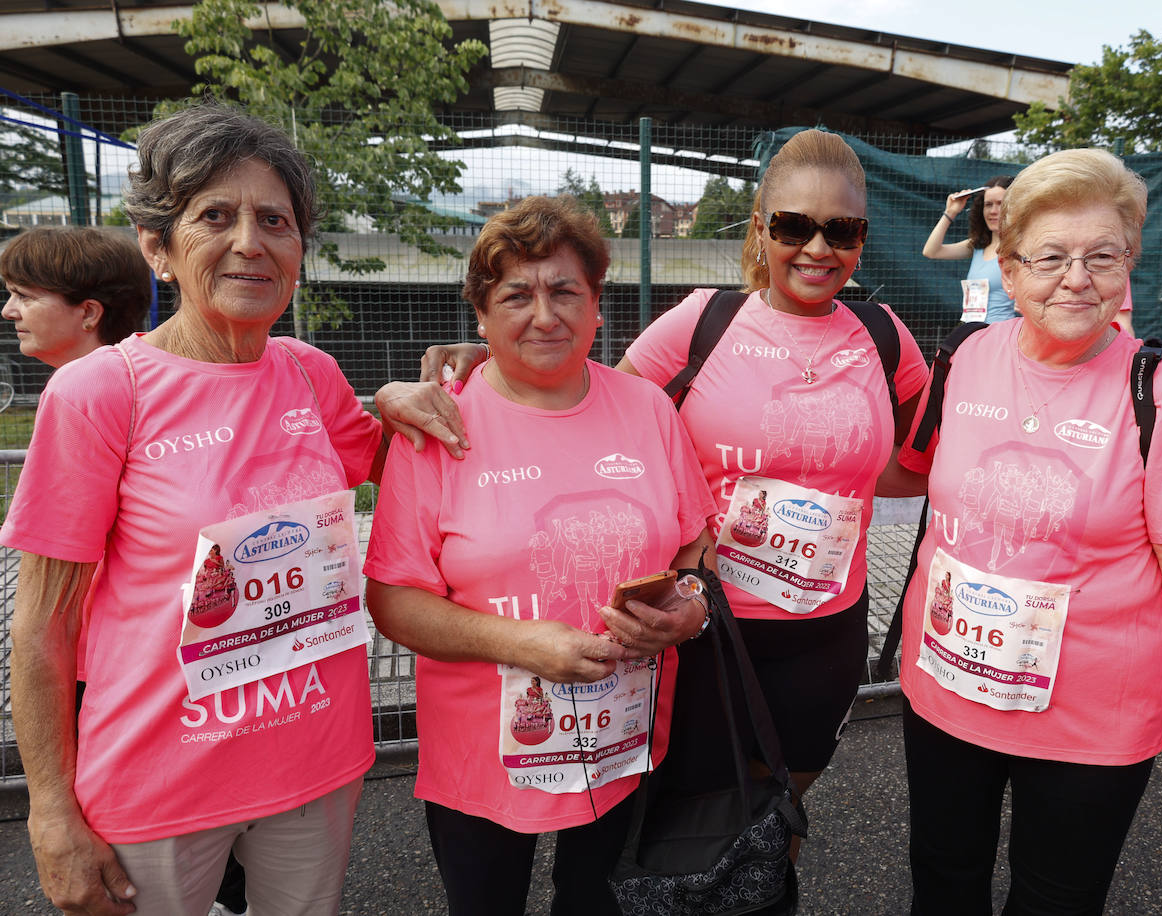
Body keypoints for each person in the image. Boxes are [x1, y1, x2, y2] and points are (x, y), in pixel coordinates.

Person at [394, 130, 931, 878]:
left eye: (841, 229)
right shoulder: (701, 323)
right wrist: (493, 360)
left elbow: (927, 457)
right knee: (683, 835)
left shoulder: (883, 335)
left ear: (863, 239)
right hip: (703, 633)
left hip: (824, 633)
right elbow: (582, 401)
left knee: (774, 826)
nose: (817, 246)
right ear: (760, 229)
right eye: (793, 226)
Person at [891, 148, 1162, 914]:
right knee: (942, 876)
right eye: (1051, 257)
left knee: (1056, 901)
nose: (1078, 277)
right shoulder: (963, 360)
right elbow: (910, 475)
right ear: (1008, 268)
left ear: (1128, 262)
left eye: (1103, 255)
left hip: (1088, 716)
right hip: (946, 687)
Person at [3, 102, 404, 916]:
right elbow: (40, 624)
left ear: (298, 249)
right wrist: (50, 812)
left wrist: (438, 389)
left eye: (276, 220)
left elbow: (406, 465)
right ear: (158, 247)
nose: (251, 242)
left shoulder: (309, 374)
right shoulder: (100, 392)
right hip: (160, 780)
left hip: (315, 761)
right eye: (215, 216)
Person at [362, 195, 718, 916]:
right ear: (482, 316)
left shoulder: (648, 408)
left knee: (601, 905)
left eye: (565, 292)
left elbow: (695, 546)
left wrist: (690, 609)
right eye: (516, 295)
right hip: (484, 758)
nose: (545, 315)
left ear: (597, 309)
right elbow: (392, 600)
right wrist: (521, 643)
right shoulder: (440, 425)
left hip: (623, 739)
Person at [1, 225, 149, 366]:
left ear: (88, 313)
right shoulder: (149, 378)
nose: (7, 312)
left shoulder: (70, 390)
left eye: (23, 296)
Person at [922, 175, 1015, 323]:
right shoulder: (978, 246)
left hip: (1002, 334)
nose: (993, 211)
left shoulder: (1019, 248)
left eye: (1000, 204)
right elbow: (931, 251)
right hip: (972, 331)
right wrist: (951, 211)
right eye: (988, 204)